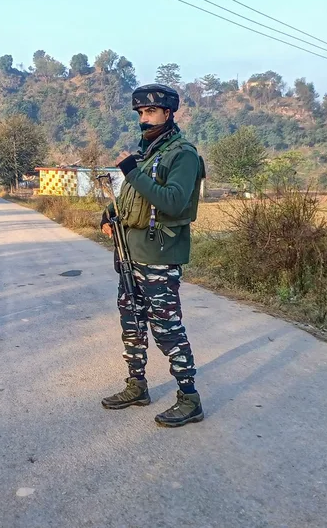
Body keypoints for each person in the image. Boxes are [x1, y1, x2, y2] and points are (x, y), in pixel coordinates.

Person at [99, 84, 206, 427]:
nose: (144, 119)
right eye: (141, 113)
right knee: (131, 325)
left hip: (159, 257)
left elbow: (172, 201)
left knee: (167, 328)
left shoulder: (182, 155)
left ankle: (189, 398)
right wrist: (108, 214)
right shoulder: (147, 155)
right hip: (131, 256)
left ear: (168, 113)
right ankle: (137, 386)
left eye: (151, 112)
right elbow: (134, 200)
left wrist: (131, 171)